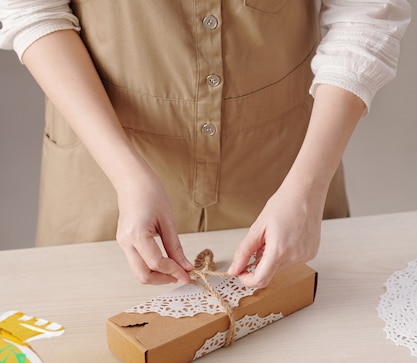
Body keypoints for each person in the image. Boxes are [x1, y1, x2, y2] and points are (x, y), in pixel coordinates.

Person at [0, 1, 411, 288]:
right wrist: (126, 174)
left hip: (289, 170)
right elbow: (32, 9)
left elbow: (367, 11)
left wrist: (307, 188)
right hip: (100, 171)